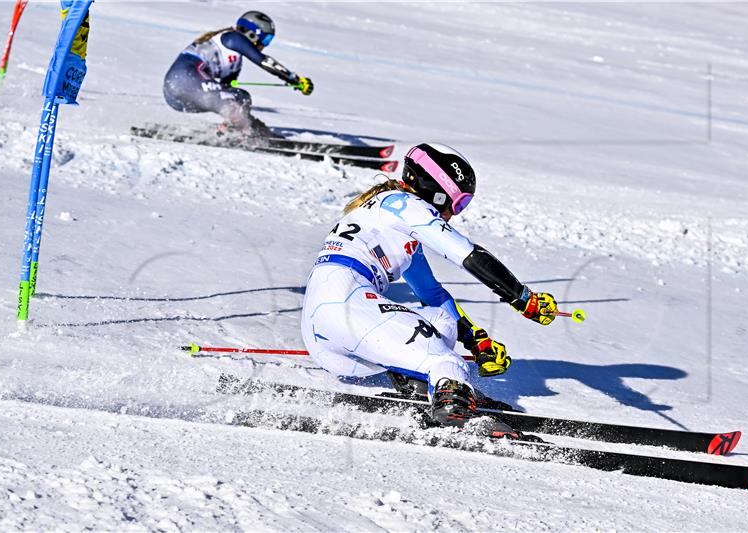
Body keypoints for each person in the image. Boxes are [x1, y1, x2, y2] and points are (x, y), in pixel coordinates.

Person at [300, 143, 559, 433]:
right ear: (437, 189)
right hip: (346, 302)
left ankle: (432, 387)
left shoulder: (388, 215)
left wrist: (476, 340)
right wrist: (523, 298)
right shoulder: (406, 205)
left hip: (325, 328)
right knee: (447, 361)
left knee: (441, 321)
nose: (454, 213)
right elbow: (466, 253)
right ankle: (454, 405)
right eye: (458, 202)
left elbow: (432, 294)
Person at [163, 10, 313, 137]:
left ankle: (235, 129)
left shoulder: (233, 61)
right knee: (239, 99)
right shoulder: (232, 37)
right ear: (253, 34)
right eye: (266, 39)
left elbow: (226, 90)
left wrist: (246, 119)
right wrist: (294, 79)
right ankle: (241, 131)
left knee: (239, 97)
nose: (265, 45)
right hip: (185, 81)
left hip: (175, 95)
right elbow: (264, 61)